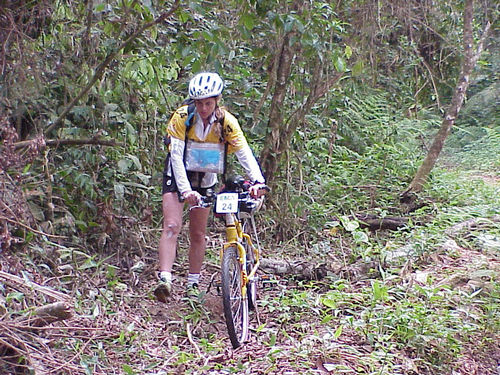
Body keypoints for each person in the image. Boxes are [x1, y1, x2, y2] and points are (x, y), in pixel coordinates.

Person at [154, 72, 267, 302]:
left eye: (208, 103)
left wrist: (258, 181)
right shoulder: (182, 118)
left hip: (206, 176)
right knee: (172, 225)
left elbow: (244, 153)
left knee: (198, 232)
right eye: (199, 103)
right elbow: (175, 157)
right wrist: (185, 191)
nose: (203, 108)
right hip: (178, 174)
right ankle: (165, 279)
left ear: (217, 101)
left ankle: (193, 284)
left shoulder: (227, 122)